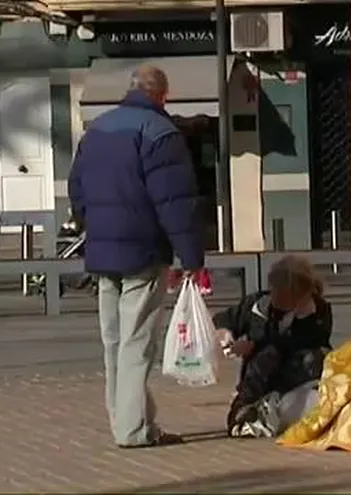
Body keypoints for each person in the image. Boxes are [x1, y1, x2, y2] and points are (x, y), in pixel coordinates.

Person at [68, 64, 205, 448]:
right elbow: (174, 201)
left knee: (112, 341)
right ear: (163, 94)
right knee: (136, 342)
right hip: (142, 249)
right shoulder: (161, 133)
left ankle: (124, 419)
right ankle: (133, 429)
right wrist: (191, 257)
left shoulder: (96, 131)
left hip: (102, 249)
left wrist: (91, 227)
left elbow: (76, 189)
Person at [213, 254, 333, 438]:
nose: (276, 297)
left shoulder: (317, 312)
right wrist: (226, 335)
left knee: (274, 353)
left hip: (298, 374)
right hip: (258, 380)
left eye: (283, 294)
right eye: (274, 291)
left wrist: (253, 343)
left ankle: (254, 409)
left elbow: (294, 343)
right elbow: (224, 319)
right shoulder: (258, 304)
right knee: (266, 356)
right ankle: (242, 410)